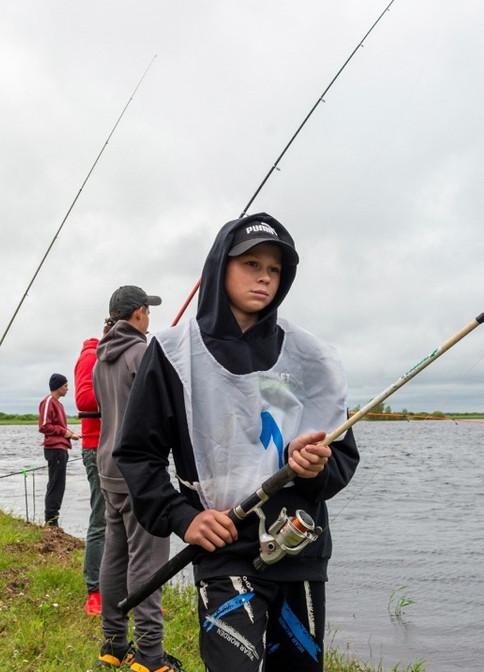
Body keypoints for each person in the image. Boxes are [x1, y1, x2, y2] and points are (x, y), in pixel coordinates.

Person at [115, 214, 361, 672]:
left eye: (275, 269)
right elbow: (137, 454)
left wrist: (316, 469)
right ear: (219, 267)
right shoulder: (171, 352)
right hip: (222, 549)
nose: (264, 277)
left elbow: (342, 455)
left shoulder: (313, 358)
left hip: (299, 550)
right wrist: (183, 517)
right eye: (251, 263)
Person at [94, 285, 183, 672]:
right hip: (139, 473)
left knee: (115, 556)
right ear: (138, 314)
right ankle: (149, 655)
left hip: (108, 467)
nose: (150, 318)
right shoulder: (142, 352)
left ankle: (113, 645)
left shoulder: (101, 358)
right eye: (148, 311)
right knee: (148, 563)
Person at [74, 328, 107, 615]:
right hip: (97, 448)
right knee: (101, 519)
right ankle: (94, 590)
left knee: (132, 522)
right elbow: (84, 400)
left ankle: (130, 588)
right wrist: (121, 389)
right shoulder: (91, 355)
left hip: (122, 447)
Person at [38, 373, 78, 526]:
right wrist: (65, 432)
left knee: (59, 484)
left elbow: (59, 427)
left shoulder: (59, 404)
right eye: (65, 386)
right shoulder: (48, 401)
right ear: (57, 387)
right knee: (56, 484)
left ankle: (53, 519)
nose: (67, 388)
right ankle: (51, 519)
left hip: (61, 449)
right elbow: (44, 426)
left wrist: (71, 434)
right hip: (55, 449)